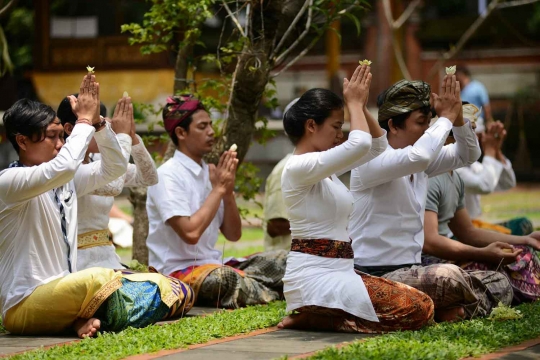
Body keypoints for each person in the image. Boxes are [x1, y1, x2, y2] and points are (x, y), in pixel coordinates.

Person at [0, 74, 193, 338]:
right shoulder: (9, 182)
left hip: (65, 292)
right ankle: (98, 313)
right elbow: (66, 165)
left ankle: (78, 320)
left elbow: (114, 169)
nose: (60, 145)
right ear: (22, 141)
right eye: (52, 137)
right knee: (98, 278)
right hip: (23, 304)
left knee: (173, 287)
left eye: (61, 136)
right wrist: (83, 121)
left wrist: (101, 125)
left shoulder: (66, 180)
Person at [278, 65, 434, 333]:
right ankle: (322, 316)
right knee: (418, 308)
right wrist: (353, 103)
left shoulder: (326, 170)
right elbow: (360, 144)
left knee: (422, 304)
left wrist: (360, 108)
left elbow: (377, 145)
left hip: (341, 273)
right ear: (311, 125)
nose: (341, 134)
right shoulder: (298, 168)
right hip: (313, 278)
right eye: (337, 126)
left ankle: (325, 316)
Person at [349, 77, 507, 321]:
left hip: (411, 272)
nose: (427, 130)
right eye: (421, 123)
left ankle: (442, 310)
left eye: (428, 122)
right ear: (393, 125)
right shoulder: (372, 161)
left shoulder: (420, 160)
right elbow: (420, 156)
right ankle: (442, 309)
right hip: (373, 275)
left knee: (499, 282)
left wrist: (455, 117)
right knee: (450, 277)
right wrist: (444, 118)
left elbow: (468, 154)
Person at [146, 95, 287, 308]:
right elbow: (190, 233)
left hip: (214, 265)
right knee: (226, 279)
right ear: (181, 133)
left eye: (211, 125)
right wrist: (219, 189)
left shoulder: (210, 173)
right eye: (203, 127)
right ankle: (275, 289)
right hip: (176, 275)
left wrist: (227, 192)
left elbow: (233, 234)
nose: (211, 132)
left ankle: (259, 287)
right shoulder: (167, 175)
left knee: (284, 261)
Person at [423, 136, 540, 303]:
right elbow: (430, 243)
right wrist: (483, 254)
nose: (474, 138)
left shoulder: (455, 176)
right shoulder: (432, 176)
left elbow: (468, 232)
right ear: (448, 138)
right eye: (468, 132)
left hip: (451, 251)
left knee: (525, 253)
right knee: (495, 275)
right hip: (428, 260)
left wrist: (526, 239)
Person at [57, 94, 158, 269]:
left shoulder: (97, 160)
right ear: (69, 129)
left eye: (104, 124)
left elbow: (148, 177)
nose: (105, 131)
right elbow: (114, 186)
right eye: (97, 125)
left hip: (108, 258)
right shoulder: (65, 168)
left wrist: (132, 138)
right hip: (76, 264)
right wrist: (122, 137)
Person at [455, 111, 533, 236]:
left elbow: (507, 182)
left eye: (479, 135)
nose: (477, 140)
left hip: (475, 228)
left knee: (523, 224)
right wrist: (490, 151)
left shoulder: (474, 166)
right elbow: (485, 186)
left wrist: (496, 150)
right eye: (472, 134)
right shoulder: (452, 168)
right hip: (457, 235)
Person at [262, 99, 299, 251]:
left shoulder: (323, 168)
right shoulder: (286, 170)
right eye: (334, 126)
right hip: (284, 263)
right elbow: (275, 226)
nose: (338, 135)